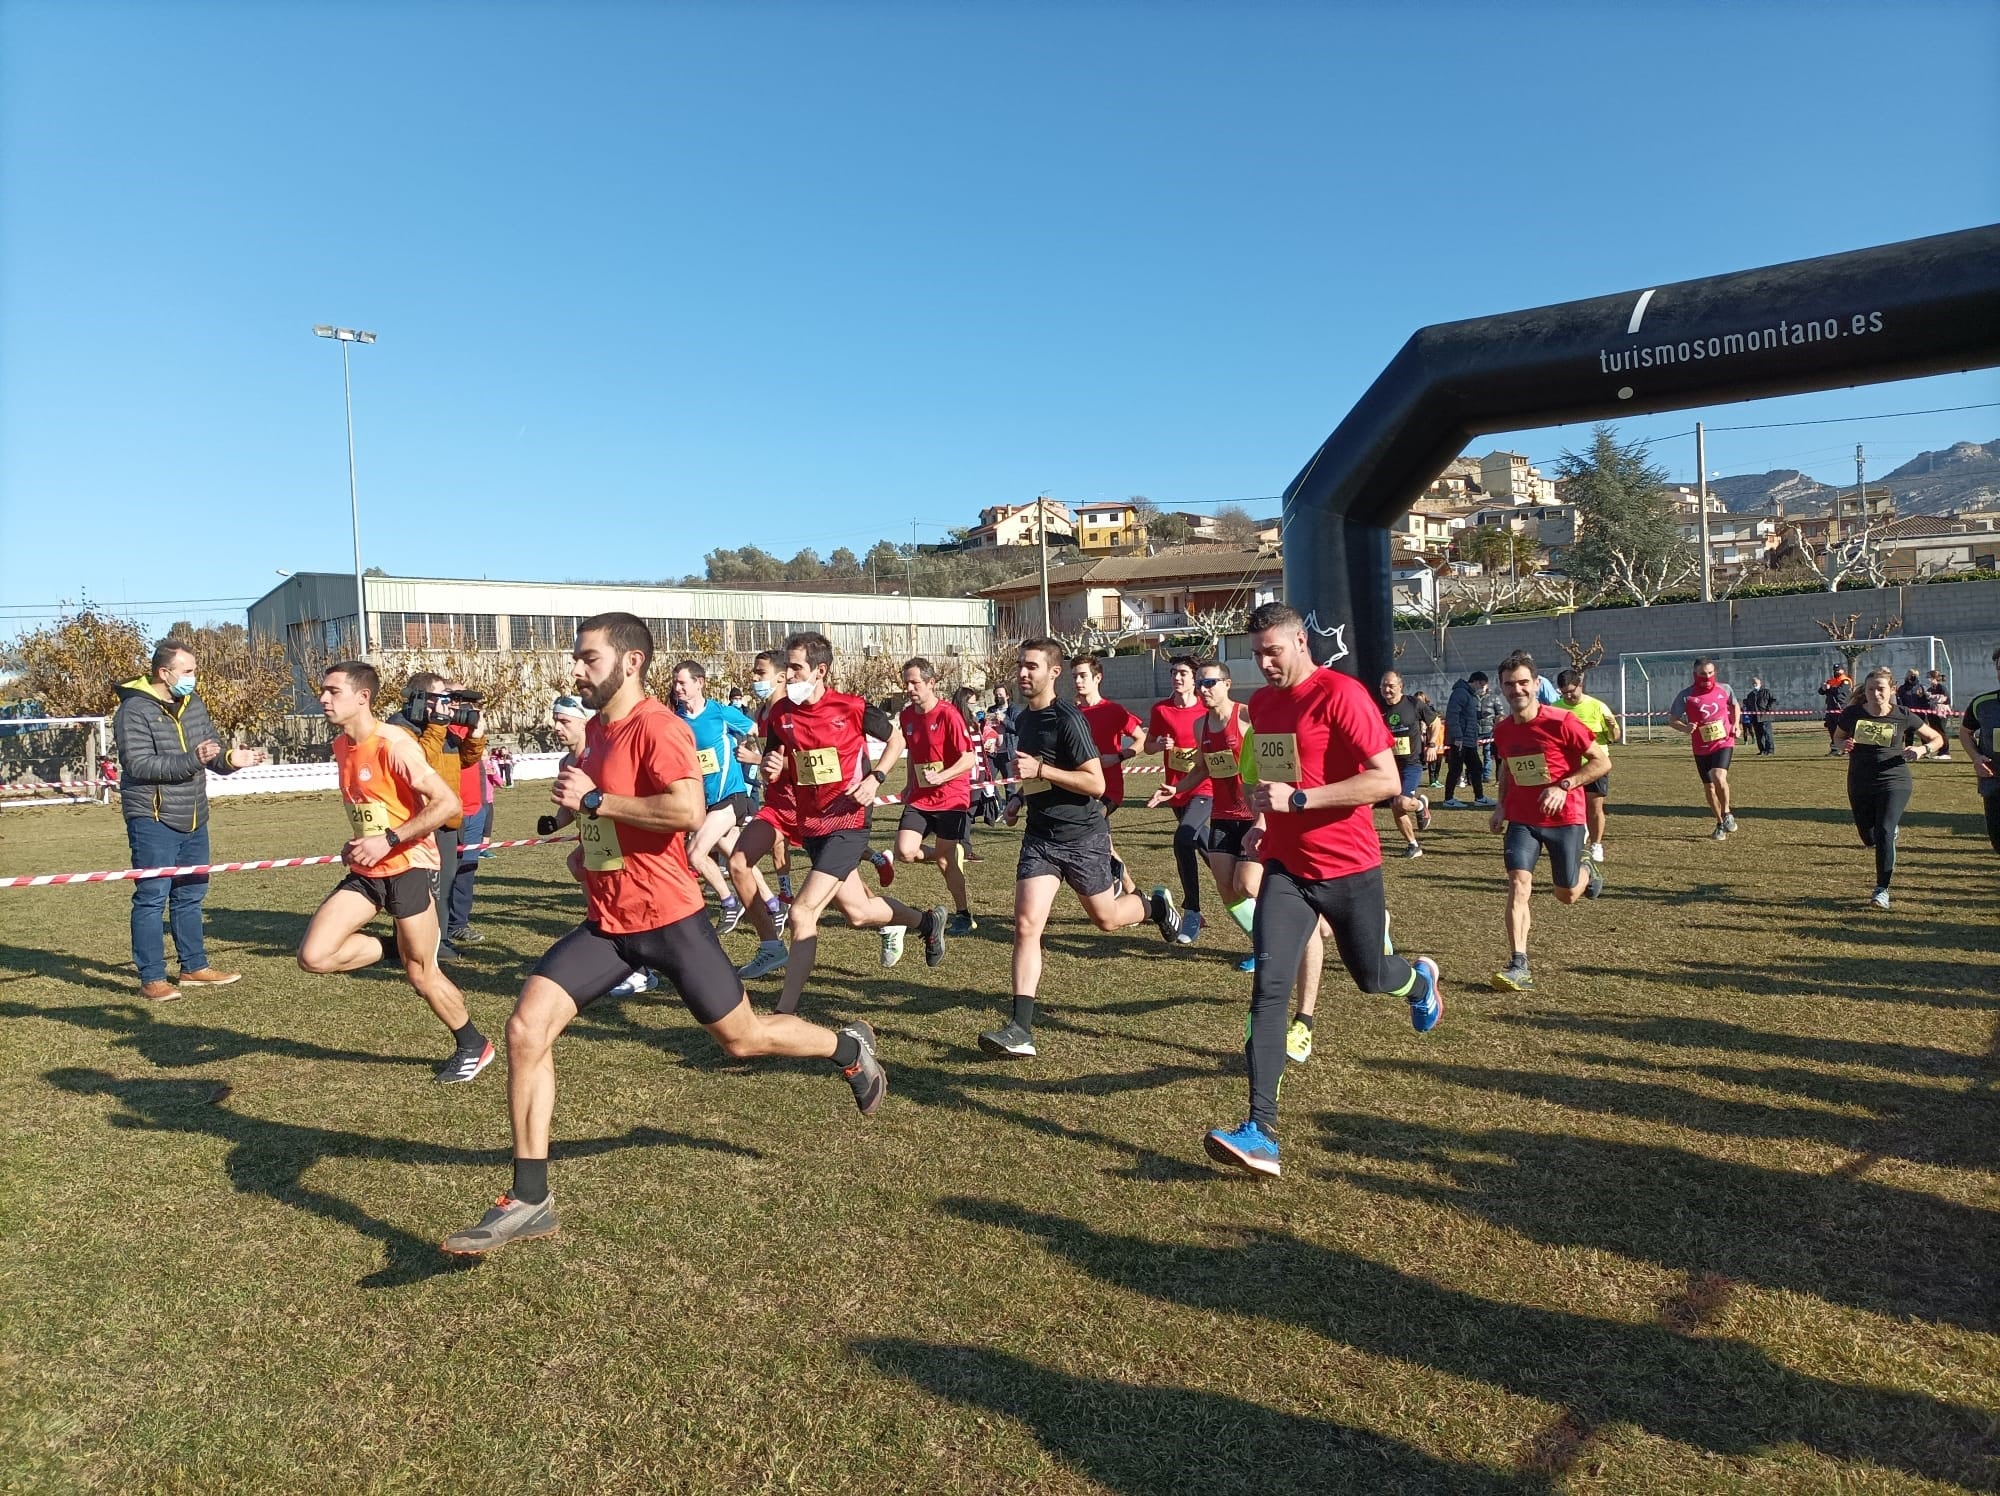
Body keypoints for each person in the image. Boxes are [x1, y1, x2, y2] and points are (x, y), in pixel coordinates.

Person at [440, 614, 886, 1256]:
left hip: (670, 921)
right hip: (607, 925)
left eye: (587, 659)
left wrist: (597, 803)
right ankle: (530, 1197)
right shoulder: (596, 730)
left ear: (630, 663)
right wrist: (581, 825)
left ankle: (846, 1047)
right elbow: (605, 814)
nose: (575, 670)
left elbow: (686, 810)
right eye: (576, 658)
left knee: (744, 1039)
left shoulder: (659, 726)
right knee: (524, 1029)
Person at [1202, 602, 1442, 1179]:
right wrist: (1265, 820)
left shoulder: (1343, 695)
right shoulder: (1263, 703)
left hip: (1349, 868)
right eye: (1256, 655)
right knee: (1268, 991)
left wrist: (1302, 802)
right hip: (1287, 869)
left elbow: (1384, 779)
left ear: (1302, 642)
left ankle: (1418, 982)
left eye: (1273, 653)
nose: (1264, 665)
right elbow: (1273, 776)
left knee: (1371, 977)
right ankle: (1260, 1129)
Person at [297, 661, 493, 1083]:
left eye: (333, 691)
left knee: (422, 974)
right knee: (314, 956)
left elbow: (446, 804)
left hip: (408, 865)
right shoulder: (340, 746)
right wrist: (360, 841)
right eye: (323, 691)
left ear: (362, 697)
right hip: (370, 868)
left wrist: (388, 839)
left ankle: (474, 1045)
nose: (323, 699)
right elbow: (372, 808)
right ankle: (395, 946)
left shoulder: (394, 743)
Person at [975, 639, 1164, 1060]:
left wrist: (1041, 770)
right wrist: (1018, 798)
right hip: (1040, 839)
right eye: (1020, 666)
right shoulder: (1022, 719)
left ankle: (1153, 906)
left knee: (1108, 919)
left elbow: (1095, 784)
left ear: (1053, 673)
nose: (1023, 674)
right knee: (1026, 926)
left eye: (1031, 667)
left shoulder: (1069, 719)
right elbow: (1033, 773)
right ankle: (1020, 1029)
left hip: (1083, 836)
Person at [739, 632, 945, 1007]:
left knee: (803, 912)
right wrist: (771, 767)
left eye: (797, 668)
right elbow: (777, 763)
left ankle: (785, 1011)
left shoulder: (850, 706)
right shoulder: (782, 713)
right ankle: (927, 922)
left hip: (849, 821)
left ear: (821, 671)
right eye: (788, 667)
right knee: (858, 912)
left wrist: (876, 777)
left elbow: (897, 739)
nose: (790, 674)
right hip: (812, 823)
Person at [112, 637, 267, 1000]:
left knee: (191, 894)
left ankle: (194, 967)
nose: (194, 677)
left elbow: (209, 751)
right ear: (164, 673)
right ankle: (152, 978)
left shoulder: (192, 703)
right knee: (152, 897)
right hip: (153, 816)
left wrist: (231, 760)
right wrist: (192, 760)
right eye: (188, 671)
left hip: (195, 814)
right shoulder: (133, 710)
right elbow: (138, 764)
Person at [1487, 653, 1609, 991]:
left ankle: (1587, 869)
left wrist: (1565, 784)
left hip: (1565, 818)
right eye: (1510, 684)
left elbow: (1601, 763)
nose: (1517, 689)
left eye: (1523, 682)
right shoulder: (1503, 730)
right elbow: (1508, 769)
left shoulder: (1561, 722)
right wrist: (1500, 807)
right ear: (1502, 688)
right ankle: (1518, 964)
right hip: (1523, 821)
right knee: (1517, 885)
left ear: (1536, 685)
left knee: (1566, 894)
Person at [387, 673, 487, 960]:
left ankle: (435, 941)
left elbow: (462, 760)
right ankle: (420, 944)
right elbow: (418, 764)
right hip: (415, 821)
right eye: (444, 698)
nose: (450, 705)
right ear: (423, 698)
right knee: (416, 888)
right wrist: (437, 728)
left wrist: (476, 735)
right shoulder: (402, 728)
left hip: (444, 821)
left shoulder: (440, 728)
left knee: (442, 887)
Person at [669, 659, 769, 933]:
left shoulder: (720, 713)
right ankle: (772, 905)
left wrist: (753, 755)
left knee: (696, 853)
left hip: (731, 794)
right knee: (739, 855)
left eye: (683, 682)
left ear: (699, 683)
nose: (677, 688)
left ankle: (729, 902)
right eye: (675, 683)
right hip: (703, 800)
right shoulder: (675, 720)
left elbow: (755, 730)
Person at [1833, 666, 1945, 908]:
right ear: (1866, 690)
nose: (1876, 694)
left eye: (1881, 689)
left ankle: (1882, 889)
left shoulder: (1903, 714)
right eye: (1872, 689)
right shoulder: (1852, 713)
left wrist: (1921, 749)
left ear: (1892, 690)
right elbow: (1837, 737)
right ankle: (1889, 833)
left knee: (1883, 831)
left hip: (1894, 779)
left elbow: (1937, 739)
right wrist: (1844, 744)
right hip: (1860, 780)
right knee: (1870, 837)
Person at [888, 657, 979, 934]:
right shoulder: (906, 716)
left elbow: (969, 759)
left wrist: (943, 776)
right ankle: (952, 851)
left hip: (952, 797)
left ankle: (963, 914)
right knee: (904, 851)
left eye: (915, 682)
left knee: (944, 859)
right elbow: (914, 753)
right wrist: (908, 783)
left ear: (931, 683)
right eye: (906, 683)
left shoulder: (948, 714)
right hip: (920, 797)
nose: (910, 688)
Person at [1145, 655, 1216, 944]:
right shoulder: (1161, 710)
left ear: (1195, 679)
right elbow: (1148, 746)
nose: (1177, 677)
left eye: (1183, 673)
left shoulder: (1206, 708)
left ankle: (1192, 911)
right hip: (1175, 790)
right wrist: (1159, 744)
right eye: (1174, 672)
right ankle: (1243, 891)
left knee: (1183, 839)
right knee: (1208, 849)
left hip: (1205, 787)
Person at [1071, 655, 1144, 888]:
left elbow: (1141, 740)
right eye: (1074, 677)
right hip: (1081, 787)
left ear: (1097, 678)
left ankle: (1111, 879)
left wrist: (1119, 756)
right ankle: (1131, 890)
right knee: (1101, 838)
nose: (1078, 681)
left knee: (1091, 827)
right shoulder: (1070, 714)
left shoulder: (1114, 710)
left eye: (1083, 676)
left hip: (1109, 790)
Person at [1668, 658, 1743, 841]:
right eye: (1703, 674)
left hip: (1723, 741)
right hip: (1701, 746)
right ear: (1695, 674)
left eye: (1710, 673)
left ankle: (1727, 813)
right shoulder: (1686, 696)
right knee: (1709, 787)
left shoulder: (1724, 689)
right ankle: (1719, 823)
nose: (1707, 676)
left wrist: (1736, 724)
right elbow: (1673, 719)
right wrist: (1685, 728)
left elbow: (1735, 705)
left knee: (1718, 776)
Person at [1556, 669, 1619, 864]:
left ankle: (1596, 844)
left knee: (1594, 807)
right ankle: (1572, 840)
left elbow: (1614, 737)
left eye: (1571, 691)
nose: (1568, 696)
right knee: (1567, 808)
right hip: (1567, 767)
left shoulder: (1598, 707)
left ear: (1580, 686)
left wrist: (1612, 728)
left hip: (1594, 766)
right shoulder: (1555, 708)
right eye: (1563, 692)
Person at [1376, 671, 1434, 858]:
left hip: (1412, 763)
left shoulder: (1414, 704)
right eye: (1384, 685)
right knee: (1396, 806)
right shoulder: (1378, 708)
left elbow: (1435, 723)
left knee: (1400, 802)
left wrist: (1432, 744)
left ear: (1400, 686)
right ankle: (1413, 845)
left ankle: (1419, 806)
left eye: (1391, 685)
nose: (1387, 689)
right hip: (1390, 765)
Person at [1960, 646, 2000, 855]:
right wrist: (1976, 757)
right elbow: (1965, 733)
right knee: (1997, 841)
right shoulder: (1982, 703)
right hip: (1993, 780)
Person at [1442, 671, 1488, 807]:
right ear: (1476, 682)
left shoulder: (1468, 695)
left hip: (1468, 740)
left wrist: (1479, 715)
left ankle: (1479, 797)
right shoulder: (1460, 693)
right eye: (1482, 685)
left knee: (1476, 767)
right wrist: (1457, 737)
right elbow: (1452, 715)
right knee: (1455, 769)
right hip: (1461, 740)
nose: (1483, 689)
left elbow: (1466, 715)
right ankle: (1448, 799)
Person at [1474, 674, 1504, 793]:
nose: (1481, 686)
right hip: (1475, 730)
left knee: (1488, 754)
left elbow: (1500, 713)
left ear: (1487, 684)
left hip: (1489, 730)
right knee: (1474, 755)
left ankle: (1486, 776)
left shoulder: (1494, 698)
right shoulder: (1472, 697)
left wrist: (1497, 724)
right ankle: (1474, 775)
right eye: (1479, 683)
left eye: (1483, 683)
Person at [1413, 690, 1445, 790]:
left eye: (1421, 700)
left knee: (1438, 759)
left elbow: (1435, 720)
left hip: (1433, 738)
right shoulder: (1412, 710)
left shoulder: (1429, 710)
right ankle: (1431, 779)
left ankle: (1436, 779)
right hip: (1422, 737)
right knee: (1430, 760)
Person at [1818, 668, 1852, 755]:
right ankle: (1834, 749)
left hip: (1840, 708)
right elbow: (1821, 692)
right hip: (1830, 709)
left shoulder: (1845, 681)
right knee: (1831, 728)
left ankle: (1845, 749)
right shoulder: (1830, 681)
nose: (1836, 672)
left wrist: (1829, 688)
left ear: (1843, 671)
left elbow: (1839, 691)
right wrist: (1823, 687)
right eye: (1835, 670)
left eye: (1839, 670)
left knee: (1841, 729)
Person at [1742, 677, 1777, 756]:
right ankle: (1762, 750)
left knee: (1767, 734)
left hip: (1765, 717)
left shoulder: (1766, 692)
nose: (1754, 684)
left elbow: (1773, 700)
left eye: (1756, 683)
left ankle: (1770, 750)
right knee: (1759, 735)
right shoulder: (1750, 695)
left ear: (1760, 683)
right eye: (1753, 683)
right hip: (1755, 718)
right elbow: (1747, 705)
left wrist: (1768, 710)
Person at [1927, 670, 1954, 759]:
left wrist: (1933, 697)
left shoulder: (1941, 687)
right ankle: (1940, 751)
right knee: (1936, 731)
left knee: (1942, 731)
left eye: (1929, 678)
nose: (1928, 680)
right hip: (1933, 712)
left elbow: (1946, 699)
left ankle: (1946, 752)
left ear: (1934, 678)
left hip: (1941, 713)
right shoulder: (1930, 688)